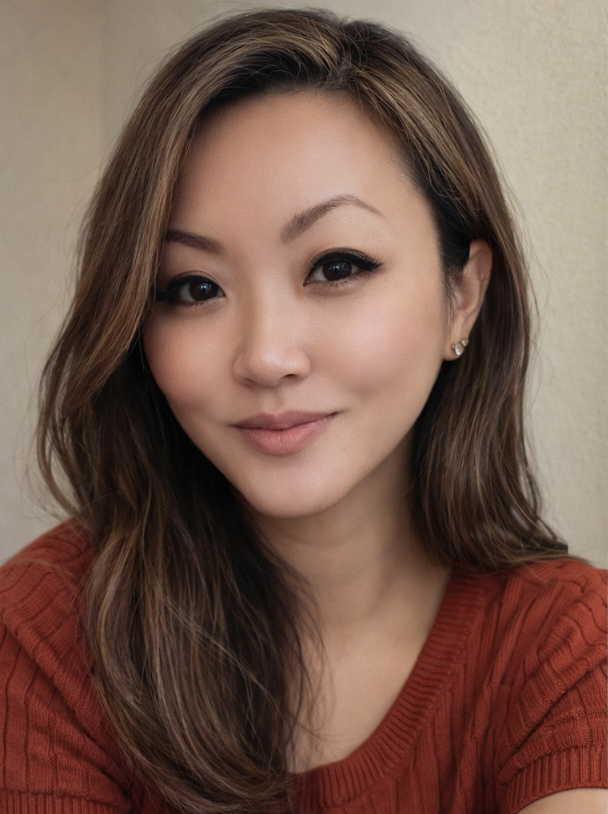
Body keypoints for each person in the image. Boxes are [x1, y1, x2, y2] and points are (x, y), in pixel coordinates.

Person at [0, 8, 605, 814]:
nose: (265, 356)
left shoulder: (567, 646)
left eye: (336, 265)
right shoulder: (45, 637)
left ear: (463, 295)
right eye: (193, 287)